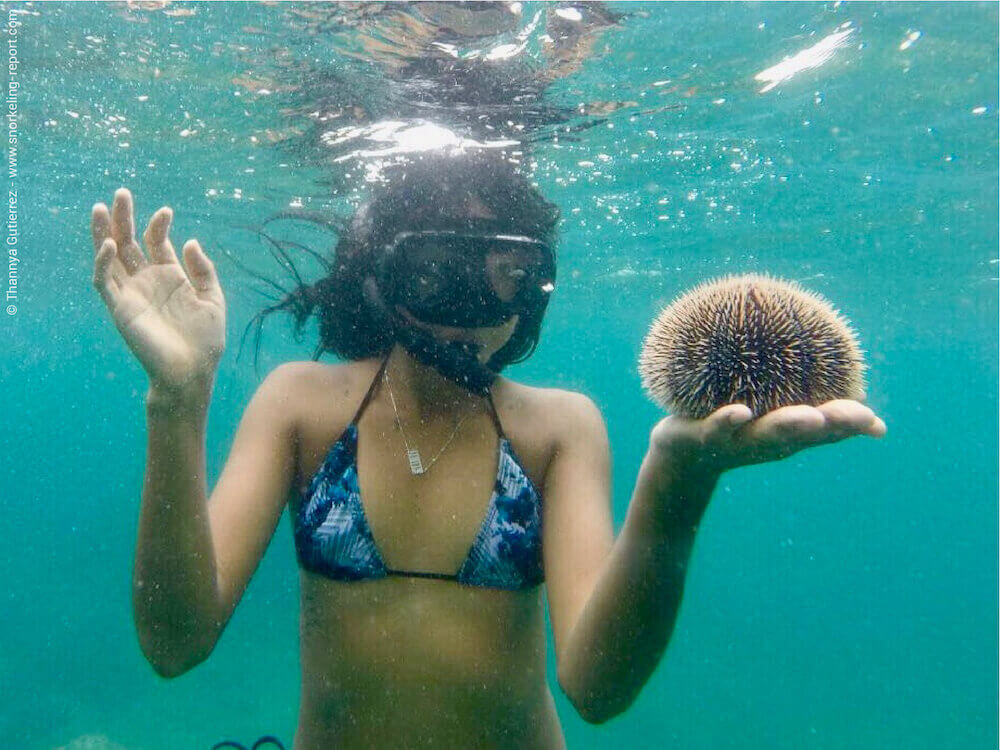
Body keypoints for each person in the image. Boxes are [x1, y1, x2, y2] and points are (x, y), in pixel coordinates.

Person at [90, 152, 886, 749]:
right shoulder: (303, 404)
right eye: (438, 270)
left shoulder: (557, 428)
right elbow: (175, 643)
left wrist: (679, 480)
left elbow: (596, 688)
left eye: (507, 273)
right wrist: (179, 400)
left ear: (536, 289)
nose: (473, 304)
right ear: (383, 273)